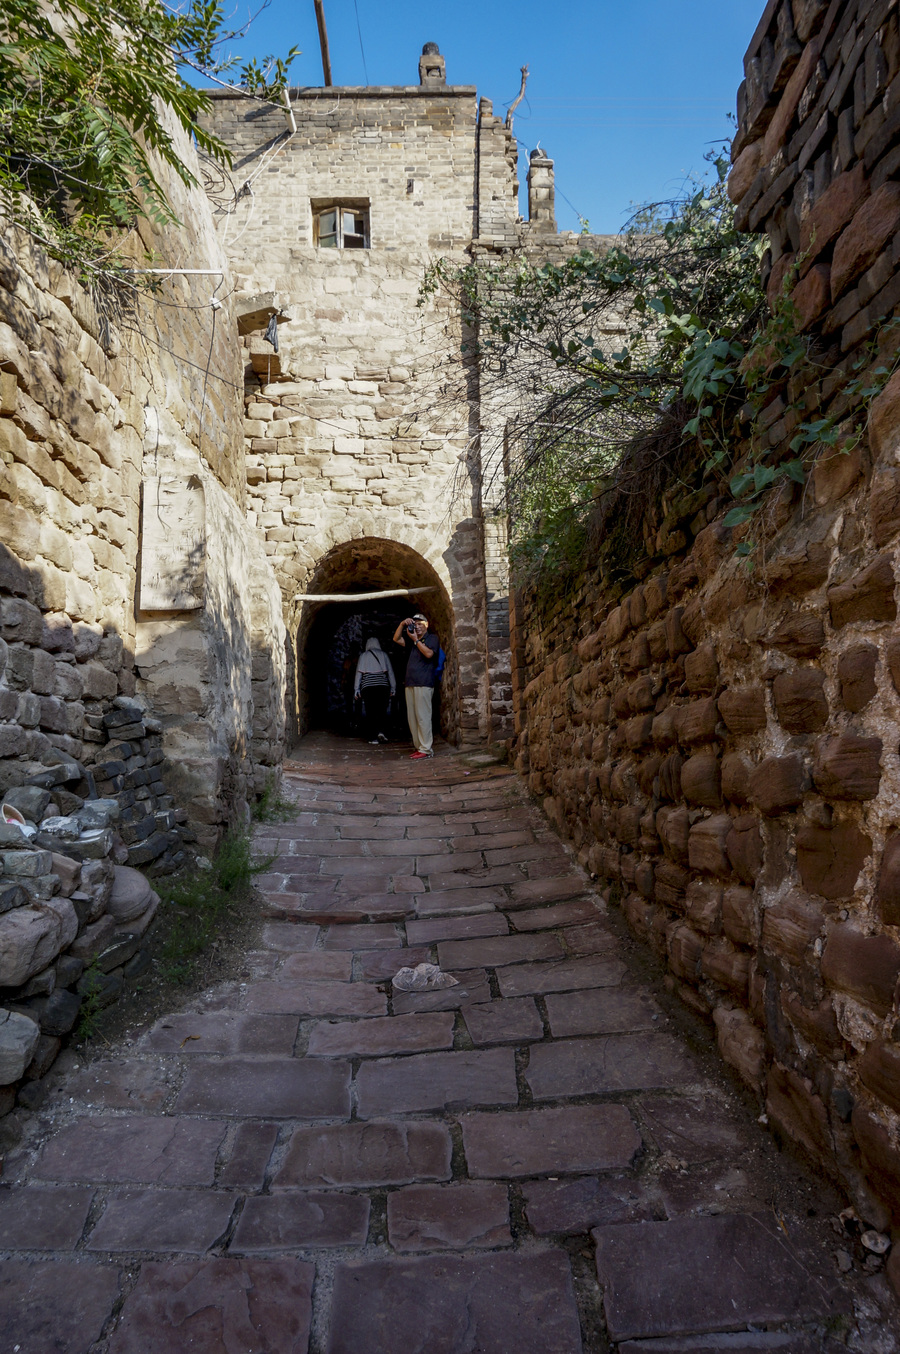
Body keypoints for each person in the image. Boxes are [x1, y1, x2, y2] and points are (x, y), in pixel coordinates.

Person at [393, 612, 439, 759]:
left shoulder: (431, 638)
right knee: (412, 718)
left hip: (424, 683)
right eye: (415, 624)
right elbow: (396, 639)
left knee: (423, 716)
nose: (418, 627)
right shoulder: (412, 641)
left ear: (427, 625)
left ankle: (426, 749)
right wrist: (402, 624)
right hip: (410, 683)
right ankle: (419, 747)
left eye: (421, 624)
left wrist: (416, 640)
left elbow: (429, 654)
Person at [353, 637, 396, 745]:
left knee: (370, 711)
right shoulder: (384, 655)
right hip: (383, 686)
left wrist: (356, 689)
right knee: (382, 710)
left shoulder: (363, 656)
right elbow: (390, 672)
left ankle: (373, 737)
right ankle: (381, 732)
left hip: (368, 687)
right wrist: (393, 687)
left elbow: (358, 674)